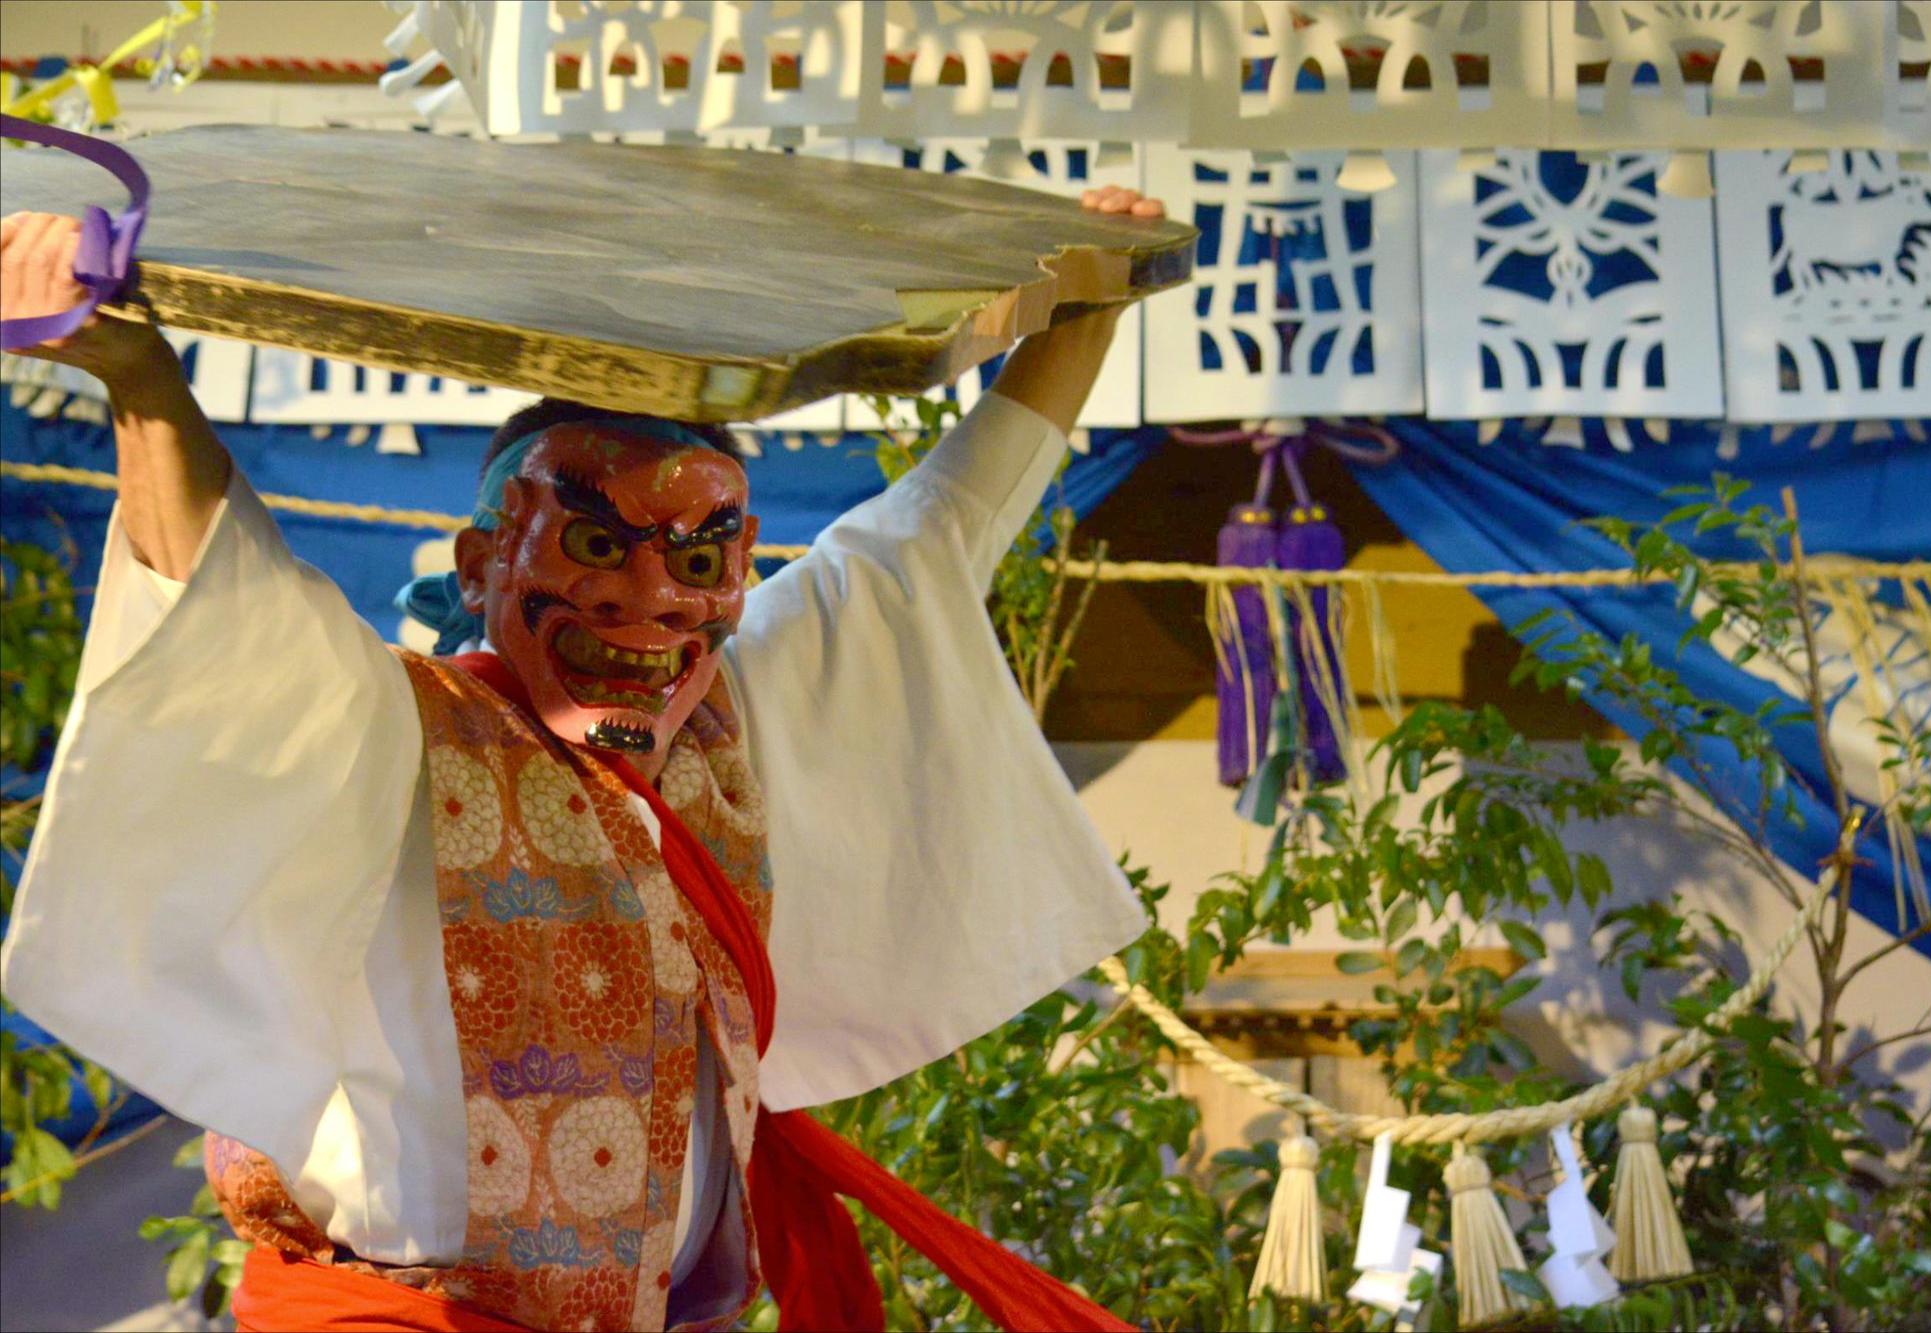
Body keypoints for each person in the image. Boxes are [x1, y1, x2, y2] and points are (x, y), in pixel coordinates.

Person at [0, 185, 1168, 1333]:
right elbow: (225, 589)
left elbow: (940, 532)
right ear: (478, 565)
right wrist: (141, 379)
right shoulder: (392, 731)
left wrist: (1091, 305)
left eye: (700, 561)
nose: (649, 604)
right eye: (598, 546)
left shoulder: (732, 718)